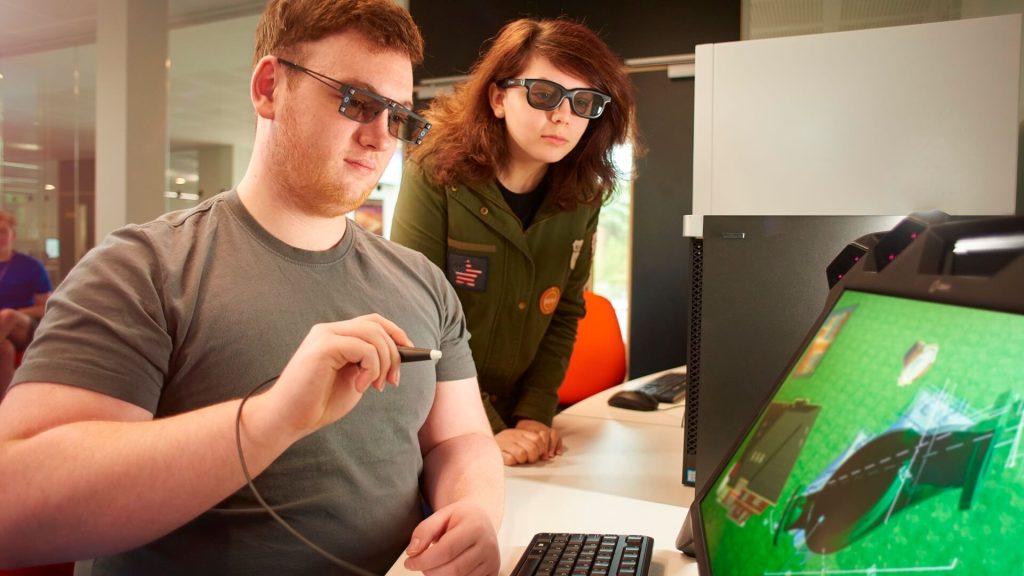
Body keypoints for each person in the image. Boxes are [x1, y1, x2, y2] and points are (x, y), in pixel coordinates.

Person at [0, 1, 503, 575]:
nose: (379, 138)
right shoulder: (143, 271)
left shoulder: (422, 282)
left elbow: (459, 440)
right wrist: (270, 419)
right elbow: (13, 509)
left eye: (398, 117)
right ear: (269, 88)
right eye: (357, 101)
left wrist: (475, 511)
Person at [390, 18, 638, 466]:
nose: (563, 115)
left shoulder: (584, 195)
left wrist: (535, 416)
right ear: (498, 97)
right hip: (433, 419)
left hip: (517, 426)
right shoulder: (435, 172)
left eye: (584, 102)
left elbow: (564, 311)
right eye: (544, 94)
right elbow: (415, 315)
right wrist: (485, 428)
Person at [0, 211, 52, 398]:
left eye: (3, 231)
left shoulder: (31, 266)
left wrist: (16, 311)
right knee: (4, 349)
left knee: (7, 316)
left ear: (13, 235)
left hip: (25, 326)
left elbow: (45, 307)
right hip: (3, 335)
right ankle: (5, 409)